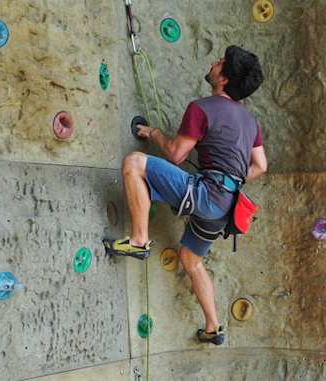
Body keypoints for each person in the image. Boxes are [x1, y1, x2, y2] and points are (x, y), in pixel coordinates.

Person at [106, 46, 268, 346]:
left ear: (224, 79)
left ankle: (139, 240)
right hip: (226, 209)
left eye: (220, 63)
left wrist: (154, 133)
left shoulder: (202, 107)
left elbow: (176, 154)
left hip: (207, 195)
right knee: (190, 259)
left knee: (134, 164)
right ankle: (213, 327)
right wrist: (230, 178)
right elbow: (261, 166)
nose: (214, 62)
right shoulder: (250, 122)